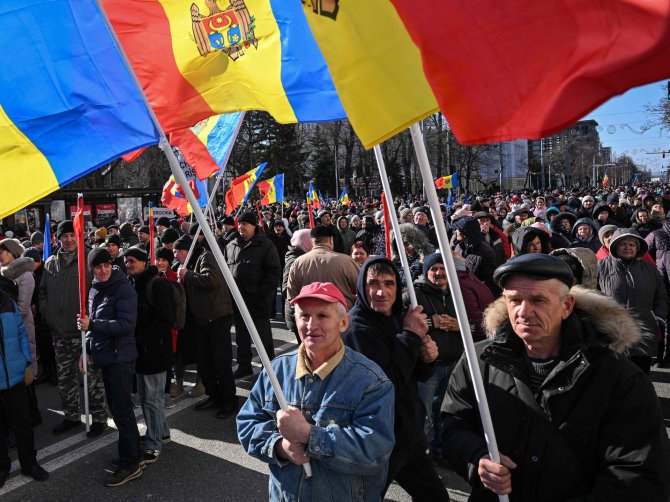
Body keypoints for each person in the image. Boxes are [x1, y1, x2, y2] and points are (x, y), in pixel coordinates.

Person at [441, 253, 670, 500]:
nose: (524, 311)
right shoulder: (479, 360)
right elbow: (453, 424)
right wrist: (477, 458)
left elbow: (638, 472)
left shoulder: (618, 377)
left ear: (567, 306)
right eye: (514, 300)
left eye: (538, 300)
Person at [237, 282, 395, 501]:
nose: (311, 325)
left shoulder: (371, 381)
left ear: (343, 323)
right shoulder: (276, 371)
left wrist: (309, 435)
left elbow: (374, 451)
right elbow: (247, 423)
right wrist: (280, 447)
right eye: (304, 316)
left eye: (322, 315)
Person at [343, 257, 450, 500]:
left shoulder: (399, 316)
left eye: (389, 283)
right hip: (378, 437)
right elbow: (385, 384)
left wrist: (427, 358)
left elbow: (417, 375)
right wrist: (410, 336)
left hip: (408, 432)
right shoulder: (357, 328)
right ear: (362, 286)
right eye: (373, 283)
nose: (381, 291)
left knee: (435, 497)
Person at [77, 248, 141, 487]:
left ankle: (131, 463)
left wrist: (92, 323)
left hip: (120, 358)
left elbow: (126, 325)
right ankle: (132, 454)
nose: (102, 270)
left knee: (122, 412)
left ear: (112, 265)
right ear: (91, 269)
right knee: (118, 409)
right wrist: (86, 351)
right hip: (106, 356)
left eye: (106, 265)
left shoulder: (122, 288)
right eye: (97, 266)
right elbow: (90, 326)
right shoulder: (95, 288)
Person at [39, 220, 108, 437]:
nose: (68, 240)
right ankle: (71, 415)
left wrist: (93, 319)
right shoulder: (50, 263)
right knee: (65, 379)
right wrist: (47, 312)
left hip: (84, 333)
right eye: (64, 236)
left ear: (78, 236)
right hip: (59, 333)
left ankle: (98, 418)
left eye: (72, 235)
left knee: (92, 378)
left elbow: (101, 290)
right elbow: (42, 292)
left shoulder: (88, 260)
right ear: (58, 238)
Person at [124, 246, 175, 463]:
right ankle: (161, 432)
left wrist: (142, 339)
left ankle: (153, 444)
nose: (129, 264)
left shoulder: (157, 284)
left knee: (150, 399)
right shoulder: (133, 283)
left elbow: (166, 319)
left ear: (144, 262)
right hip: (142, 352)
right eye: (127, 261)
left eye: (133, 261)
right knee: (152, 398)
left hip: (154, 353)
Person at [598, 228, 668, 374]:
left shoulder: (650, 269)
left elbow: (661, 296)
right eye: (623, 244)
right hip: (612, 333)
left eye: (632, 244)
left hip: (643, 331)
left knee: (640, 377)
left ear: (638, 247)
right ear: (615, 246)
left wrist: (658, 318)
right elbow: (592, 295)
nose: (628, 247)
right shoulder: (601, 267)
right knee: (614, 377)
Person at [0, 287, 49, 488]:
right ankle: (2, 467)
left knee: (24, 423)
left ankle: (29, 463)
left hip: (16, 376)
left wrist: (25, 360)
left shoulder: (7, 301)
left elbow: (21, 331)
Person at [226, 211, 280, 379]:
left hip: (257, 301)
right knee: (242, 337)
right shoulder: (231, 245)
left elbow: (273, 273)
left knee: (263, 338)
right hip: (238, 300)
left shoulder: (265, 245)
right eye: (240, 224)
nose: (241, 227)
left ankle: (269, 369)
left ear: (254, 226)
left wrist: (261, 294)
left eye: (245, 224)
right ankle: (244, 366)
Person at [0, 238, 41, 424]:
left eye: (3, 251)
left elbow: (24, 307)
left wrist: (7, 311)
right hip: (8, 328)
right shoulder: (4, 274)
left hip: (22, 326)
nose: (0, 255)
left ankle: (32, 414)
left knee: (25, 370)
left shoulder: (25, 273)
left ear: (13, 252)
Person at [287, 225, 360, 310]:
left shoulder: (298, 262)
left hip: (310, 314)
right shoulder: (345, 260)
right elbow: (362, 286)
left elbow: (291, 295)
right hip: (339, 314)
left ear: (312, 241)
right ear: (331, 240)